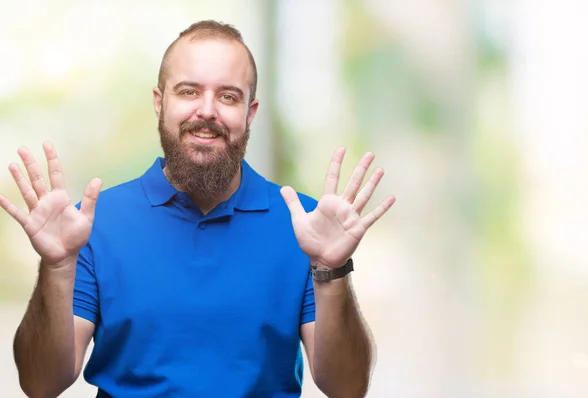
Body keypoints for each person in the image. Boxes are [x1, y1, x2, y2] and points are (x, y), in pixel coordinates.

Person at [0, 20, 395, 398]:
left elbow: (347, 389)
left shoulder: (304, 226)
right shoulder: (91, 225)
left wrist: (332, 270)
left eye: (228, 96)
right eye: (189, 91)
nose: (207, 111)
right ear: (160, 102)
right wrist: (56, 266)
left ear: (250, 112)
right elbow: (40, 385)